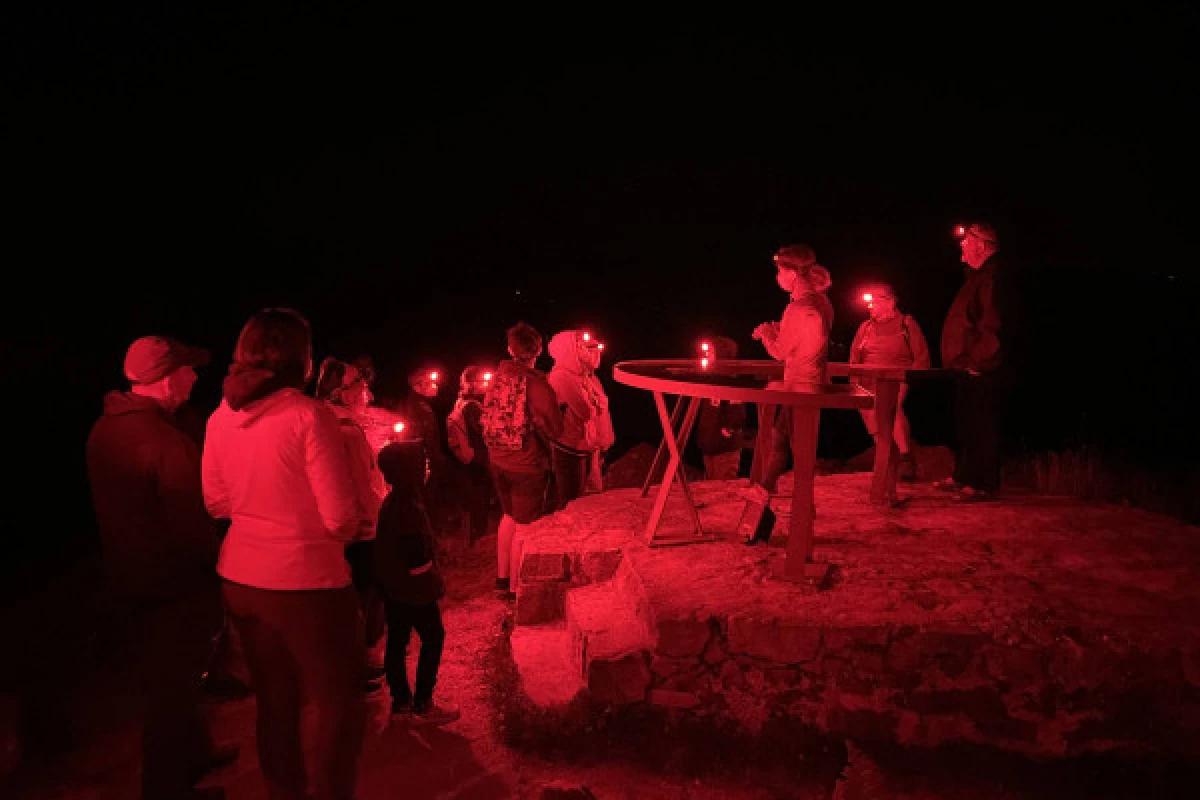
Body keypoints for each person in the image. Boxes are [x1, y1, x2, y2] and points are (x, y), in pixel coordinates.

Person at [202, 308, 366, 800]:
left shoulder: (219, 417)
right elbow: (339, 518)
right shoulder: (307, 415)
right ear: (300, 358)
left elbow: (217, 502)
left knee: (275, 701)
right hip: (306, 582)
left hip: (241, 578)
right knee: (340, 702)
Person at [86, 335, 236, 800]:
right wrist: (224, 568)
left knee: (172, 680)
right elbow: (193, 528)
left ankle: (195, 754)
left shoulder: (104, 429)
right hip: (175, 587)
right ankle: (166, 788)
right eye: (188, 370)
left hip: (131, 579)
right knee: (172, 690)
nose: (195, 377)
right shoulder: (165, 442)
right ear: (167, 377)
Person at [743, 244, 834, 545]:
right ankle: (768, 492)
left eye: (780, 271)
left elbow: (782, 353)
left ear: (792, 272)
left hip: (800, 388)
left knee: (795, 448)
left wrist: (767, 334)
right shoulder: (821, 303)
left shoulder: (798, 307)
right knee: (784, 439)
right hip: (809, 384)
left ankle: (793, 511)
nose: (778, 277)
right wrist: (779, 331)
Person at [373, 441, 461, 726]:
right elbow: (417, 561)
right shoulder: (406, 507)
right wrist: (434, 585)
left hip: (393, 588)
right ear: (408, 471)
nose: (426, 468)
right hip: (413, 591)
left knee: (397, 642)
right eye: (420, 464)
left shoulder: (394, 501)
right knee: (433, 637)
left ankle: (400, 704)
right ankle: (423, 703)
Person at [314, 357, 390, 683]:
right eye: (361, 386)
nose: (368, 394)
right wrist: (380, 511)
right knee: (365, 592)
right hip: (359, 527)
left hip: (332, 528)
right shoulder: (345, 429)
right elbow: (363, 482)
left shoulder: (318, 421)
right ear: (344, 392)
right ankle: (359, 661)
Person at [481, 321, 563, 596]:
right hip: (525, 465)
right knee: (526, 526)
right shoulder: (535, 384)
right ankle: (517, 590)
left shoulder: (497, 377)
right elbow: (556, 429)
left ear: (509, 349)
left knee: (509, 516)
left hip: (497, 458)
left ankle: (502, 578)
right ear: (538, 350)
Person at [937, 221, 1007, 501]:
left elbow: (992, 322)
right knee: (967, 422)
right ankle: (965, 476)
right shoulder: (977, 276)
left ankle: (983, 483)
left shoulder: (992, 276)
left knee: (981, 424)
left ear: (981, 245)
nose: (962, 245)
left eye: (967, 241)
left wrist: (979, 360)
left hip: (981, 366)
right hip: (966, 365)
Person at [849, 284, 931, 480]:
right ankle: (886, 455)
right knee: (869, 412)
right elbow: (854, 356)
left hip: (896, 378)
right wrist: (854, 380)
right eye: (870, 303)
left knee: (889, 409)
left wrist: (914, 378)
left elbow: (921, 355)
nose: (871, 307)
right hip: (868, 380)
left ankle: (905, 457)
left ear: (890, 302)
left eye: (875, 302)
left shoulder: (906, 324)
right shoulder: (866, 327)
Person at [546, 329, 614, 508]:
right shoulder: (561, 376)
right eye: (582, 347)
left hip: (587, 447)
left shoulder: (587, 377)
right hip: (570, 449)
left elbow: (599, 411)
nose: (590, 352)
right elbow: (585, 412)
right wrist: (595, 405)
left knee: (588, 500)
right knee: (571, 503)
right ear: (568, 350)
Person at [446, 365, 497, 543]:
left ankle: (474, 533)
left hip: (468, 457)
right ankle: (479, 535)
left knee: (475, 496)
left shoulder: (460, 403)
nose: (485, 385)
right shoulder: (472, 407)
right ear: (470, 384)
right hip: (477, 456)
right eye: (481, 382)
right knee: (480, 495)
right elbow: (482, 433)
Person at [394, 366, 449, 527]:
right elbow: (422, 439)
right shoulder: (419, 409)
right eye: (430, 383)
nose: (435, 386)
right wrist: (432, 462)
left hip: (422, 463)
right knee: (426, 503)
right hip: (423, 464)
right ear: (417, 386)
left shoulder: (417, 404)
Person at [694, 336, 748, 480]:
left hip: (725, 450)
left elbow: (738, 415)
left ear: (722, 355)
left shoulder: (730, 381)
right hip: (710, 447)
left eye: (711, 353)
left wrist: (727, 431)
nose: (707, 356)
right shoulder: (712, 380)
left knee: (725, 487)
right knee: (713, 486)